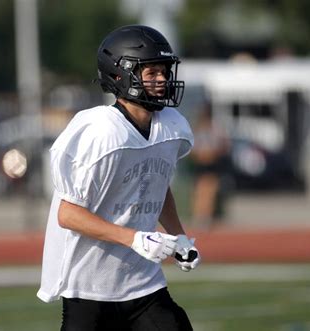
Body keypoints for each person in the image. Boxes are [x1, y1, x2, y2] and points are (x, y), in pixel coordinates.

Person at [37, 25, 201, 331]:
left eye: (164, 71)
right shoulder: (100, 132)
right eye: (151, 73)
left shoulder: (170, 126)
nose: (162, 79)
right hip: (89, 289)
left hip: (143, 285)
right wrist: (135, 238)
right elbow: (68, 214)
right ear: (118, 75)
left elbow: (157, 183)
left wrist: (179, 236)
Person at [189, 103, 230, 228]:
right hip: (201, 163)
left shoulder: (215, 129)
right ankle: (199, 215)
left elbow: (224, 145)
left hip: (212, 163)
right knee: (200, 191)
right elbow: (191, 147)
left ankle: (205, 216)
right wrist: (199, 155)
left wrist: (213, 153)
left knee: (210, 190)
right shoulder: (197, 129)